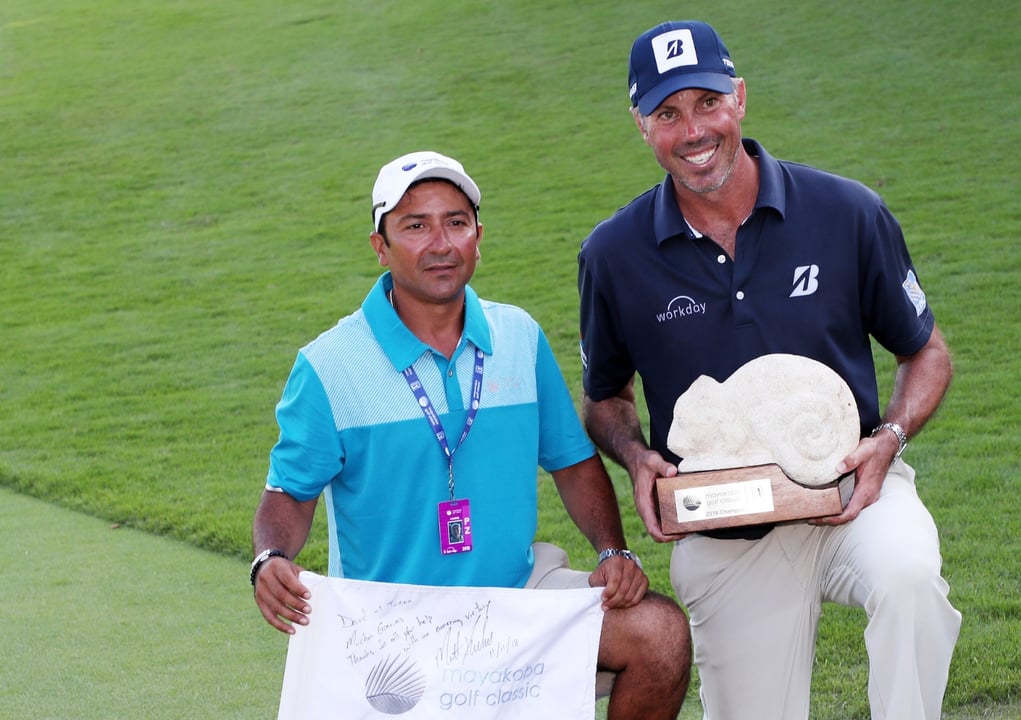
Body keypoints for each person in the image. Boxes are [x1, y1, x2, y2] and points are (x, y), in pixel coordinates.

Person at [577, 20, 962, 720]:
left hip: (855, 493)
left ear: (740, 98)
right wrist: (635, 456)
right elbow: (605, 399)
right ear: (642, 126)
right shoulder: (613, 254)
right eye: (668, 113)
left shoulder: (846, 211)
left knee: (910, 579)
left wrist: (892, 441)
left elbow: (927, 352)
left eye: (706, 103)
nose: (692, 130)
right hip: (726, 531)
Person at [251, 150, 691, 719]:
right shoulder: (328, 366)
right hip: (391, 621)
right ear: (379, 246)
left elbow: (574, 462)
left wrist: (612, 550)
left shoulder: (518, 336)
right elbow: (287, 495)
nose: (440, 243)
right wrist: (269, 558)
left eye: (456, 222)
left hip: (516, 598)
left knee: (659, 634)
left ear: (478, 237)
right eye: (415, 226)